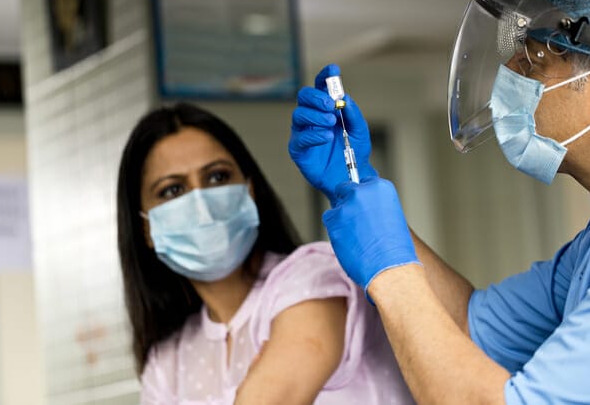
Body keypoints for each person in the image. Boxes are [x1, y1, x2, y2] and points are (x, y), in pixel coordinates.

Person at [289, 0, 590, 404]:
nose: (510, 70)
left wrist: (390, 272)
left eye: (535, 59)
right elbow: (471, 328)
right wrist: (356, 185)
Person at [116, 102, 414, 404]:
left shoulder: (313, 280)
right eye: (172, 191)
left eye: (217, 177)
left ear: (250, 190)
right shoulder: (168, 364)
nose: (202, 204)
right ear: (145, 229)